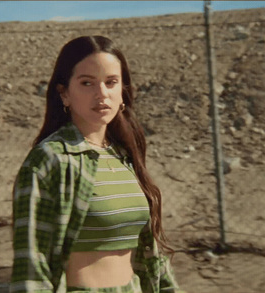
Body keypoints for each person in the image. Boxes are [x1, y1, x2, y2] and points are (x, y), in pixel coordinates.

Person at [10, 35, 184, 293]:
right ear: (64, 93)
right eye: (87, 83)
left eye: (111, 82)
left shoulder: (124, 155)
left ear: (122, 91)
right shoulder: (49, 160)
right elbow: (32, 266)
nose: (101, 94)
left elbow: (149, 253)